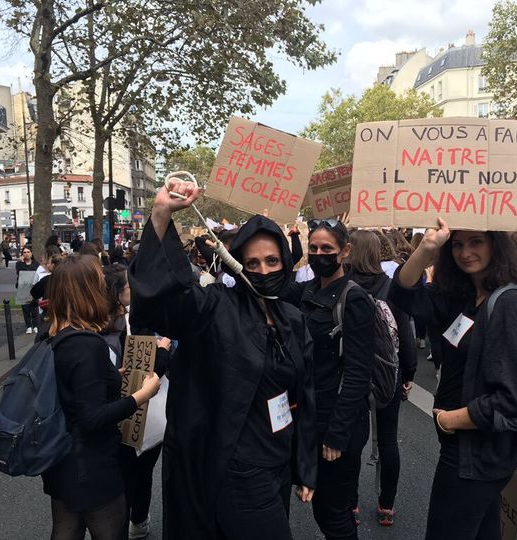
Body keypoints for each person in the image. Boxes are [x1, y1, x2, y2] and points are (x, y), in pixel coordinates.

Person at [129, 179, 316, 539]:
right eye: (253, 262)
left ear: (286, 260)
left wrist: (305, 465)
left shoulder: (293, 320)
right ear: (239, 264)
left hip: (276, 462)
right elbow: (168, 299)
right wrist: (161, 214)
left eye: (272, 260)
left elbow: (305, 394)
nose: (263, 270)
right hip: (236, 469)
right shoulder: (216, 308)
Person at [389, 218, 517, 540]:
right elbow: (403, 297)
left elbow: (515, 400)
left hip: (477, 453)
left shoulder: (511, 303)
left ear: (495, 245)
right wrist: (428, 248)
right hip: (465, 448)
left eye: (476, 242)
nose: (464, 252)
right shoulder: (463, 297)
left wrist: (451, 420)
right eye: (457, 244)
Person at [41, 254, 160, 540]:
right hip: (92, 465)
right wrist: (142, 395)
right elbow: (92, 418)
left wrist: (108, 375)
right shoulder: (86, 345)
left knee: (66, 529)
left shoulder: (53, 335)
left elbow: (75, 388)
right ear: (88, 292)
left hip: (60, 459)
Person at [283, 218, 374, 540]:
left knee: (331, 511)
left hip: (337, 421)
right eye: (314, 248)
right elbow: (266, 283)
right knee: (332, 506)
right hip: (308, 413)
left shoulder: (355, 299)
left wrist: (337, 435)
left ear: (345, 251)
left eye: (327, 249)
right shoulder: (307, 289)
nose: (320, 254)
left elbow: (357, 372)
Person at [348, 229, 417, 526]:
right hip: (389, 372)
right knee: (389, 439)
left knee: (352, 440)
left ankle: (350, 503)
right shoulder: (393, 288)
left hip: (351, 374)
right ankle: (386, 505)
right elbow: (406, 335)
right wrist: (408, 373)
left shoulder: (343, 286)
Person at [102, 264, 171, 539]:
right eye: (130, 287)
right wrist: (163, 351)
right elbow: (146, 373)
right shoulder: (130, 326)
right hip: (135, 413)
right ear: (118, 294)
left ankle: (118, 522)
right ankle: (137, 522)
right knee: (140, 472)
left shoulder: (94, 325)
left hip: (107, 417)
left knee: (120, 475)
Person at [16, 246, 40, 334]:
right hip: (23, 287)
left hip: (33, 288)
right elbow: (19, 273)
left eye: (28, 252)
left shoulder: (36, 264)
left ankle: (36, 325)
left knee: (34, 307)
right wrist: (22, 262)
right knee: (25, 308)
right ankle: (28, 326)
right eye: (24, 252)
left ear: (31, 253)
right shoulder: (19, 264)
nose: (26, 254)